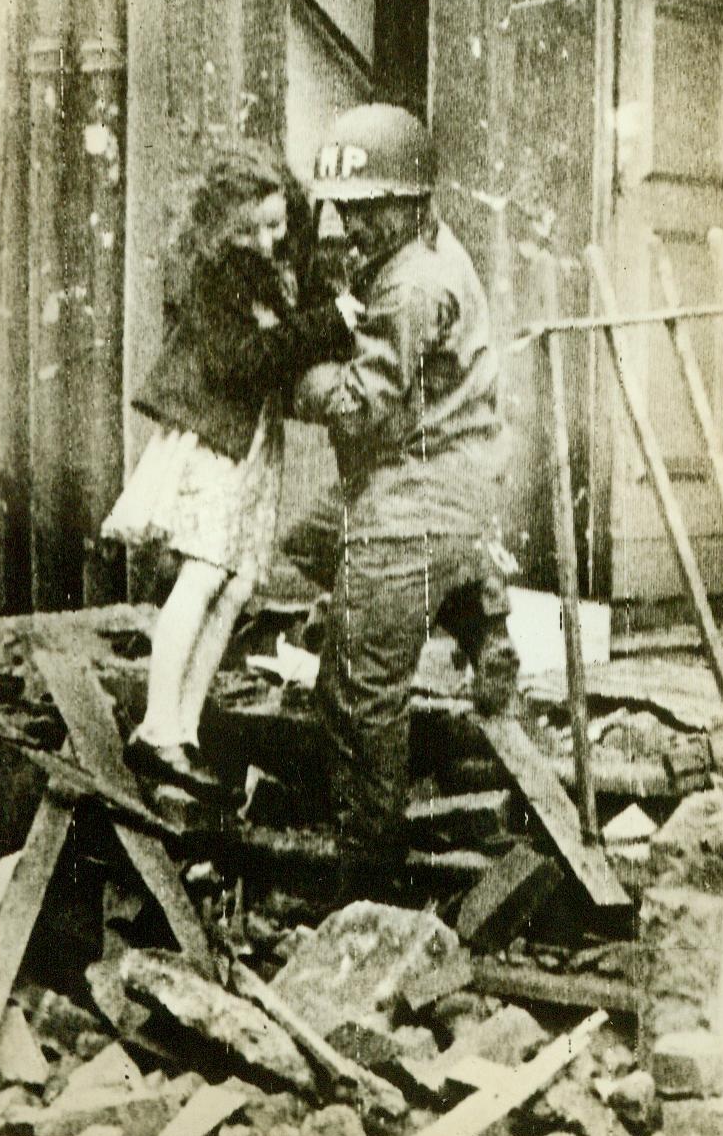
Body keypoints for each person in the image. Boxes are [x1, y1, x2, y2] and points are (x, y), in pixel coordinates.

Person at [284, 103, 519, 863]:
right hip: (454, 469)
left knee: (353, 686)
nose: (352, 226)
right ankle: (475, 615)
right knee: (310, 540)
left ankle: (370, 868)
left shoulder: (412, 285)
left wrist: (299, 380)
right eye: (346, 209)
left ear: (412, 200)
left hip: (420, 482)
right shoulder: (417, 246)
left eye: (368, 211)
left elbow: (361, 410)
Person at [102, 139, 353, 790]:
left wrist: (330, 308)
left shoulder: (270, 266)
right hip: (214, 441)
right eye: (257, 228)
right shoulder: (216, 275)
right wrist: (332, 321)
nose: (272, 238)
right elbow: (242, 363)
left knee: (237, 583)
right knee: (204, 574)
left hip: (248, 445)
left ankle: (181, 730)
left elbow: (293, 332)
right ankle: (157, 729)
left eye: (278, 224)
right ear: (228, 227)